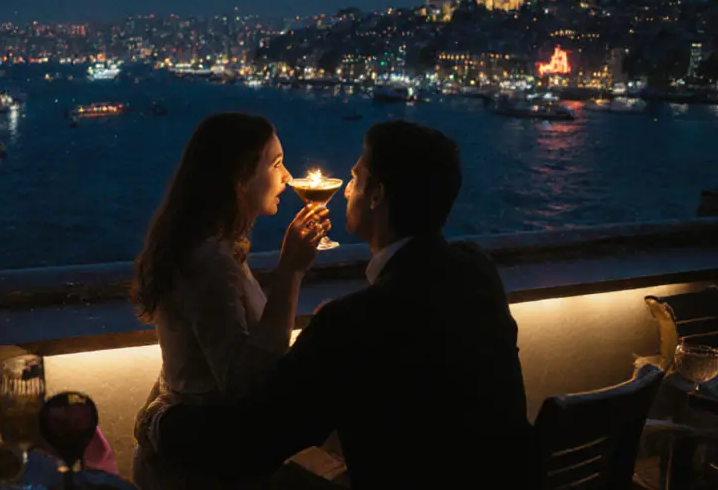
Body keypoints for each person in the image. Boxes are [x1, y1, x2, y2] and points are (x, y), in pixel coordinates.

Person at [150, 120, 535, 489]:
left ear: (377, 195)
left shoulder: (353, 322)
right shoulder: (478, 271)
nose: (346, 190)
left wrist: (158, 422)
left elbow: (253, 445)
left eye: (354, 179)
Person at [130, 112, 330, 489]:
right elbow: (242, 380)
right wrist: (291, 271)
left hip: (203, 459)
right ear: (239, 176)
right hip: (200, 472)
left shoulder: (217, 250)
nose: (287, 176)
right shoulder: (208, 261)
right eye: (275, 163)